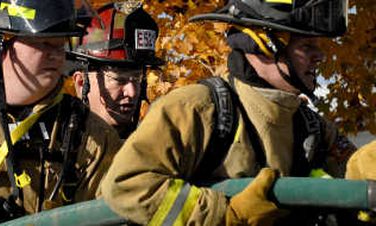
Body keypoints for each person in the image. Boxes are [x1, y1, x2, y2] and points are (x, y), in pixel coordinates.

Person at [101, 0, 357, 225]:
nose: (320, 55)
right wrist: (224, 215)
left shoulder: (311, 126)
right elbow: (127, 184)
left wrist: (365, 172)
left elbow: (352, 173)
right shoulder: (196, 109)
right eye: (306, 45)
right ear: (263, 43)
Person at [0, 0, 123, 224]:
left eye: (61, 45)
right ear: (2, 43)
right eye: (44, 43)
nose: (57, 55)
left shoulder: (92, 138)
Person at [67, 1, 162, 139]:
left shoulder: (158, 152)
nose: (132, 92)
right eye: (119, 79)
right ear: (81, 83)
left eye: (137, 79)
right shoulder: (47, 146)